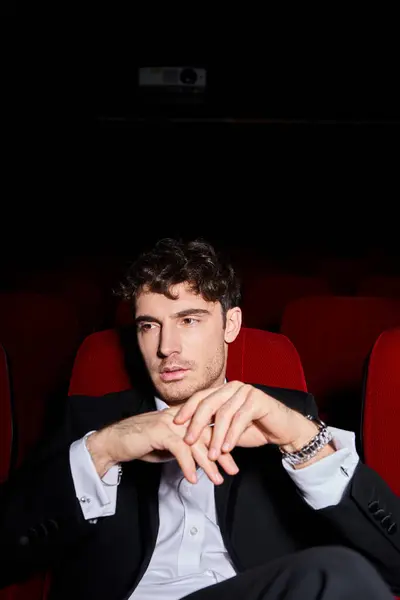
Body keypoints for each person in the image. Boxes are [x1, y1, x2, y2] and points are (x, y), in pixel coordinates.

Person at [1, 238, 399, 600]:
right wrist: (103, 449)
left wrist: (304, 440)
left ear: (231, 324)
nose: (165, 348)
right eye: (149, 326)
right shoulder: (94, 420)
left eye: (188, 320)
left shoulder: (288, 416)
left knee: (337, 574)